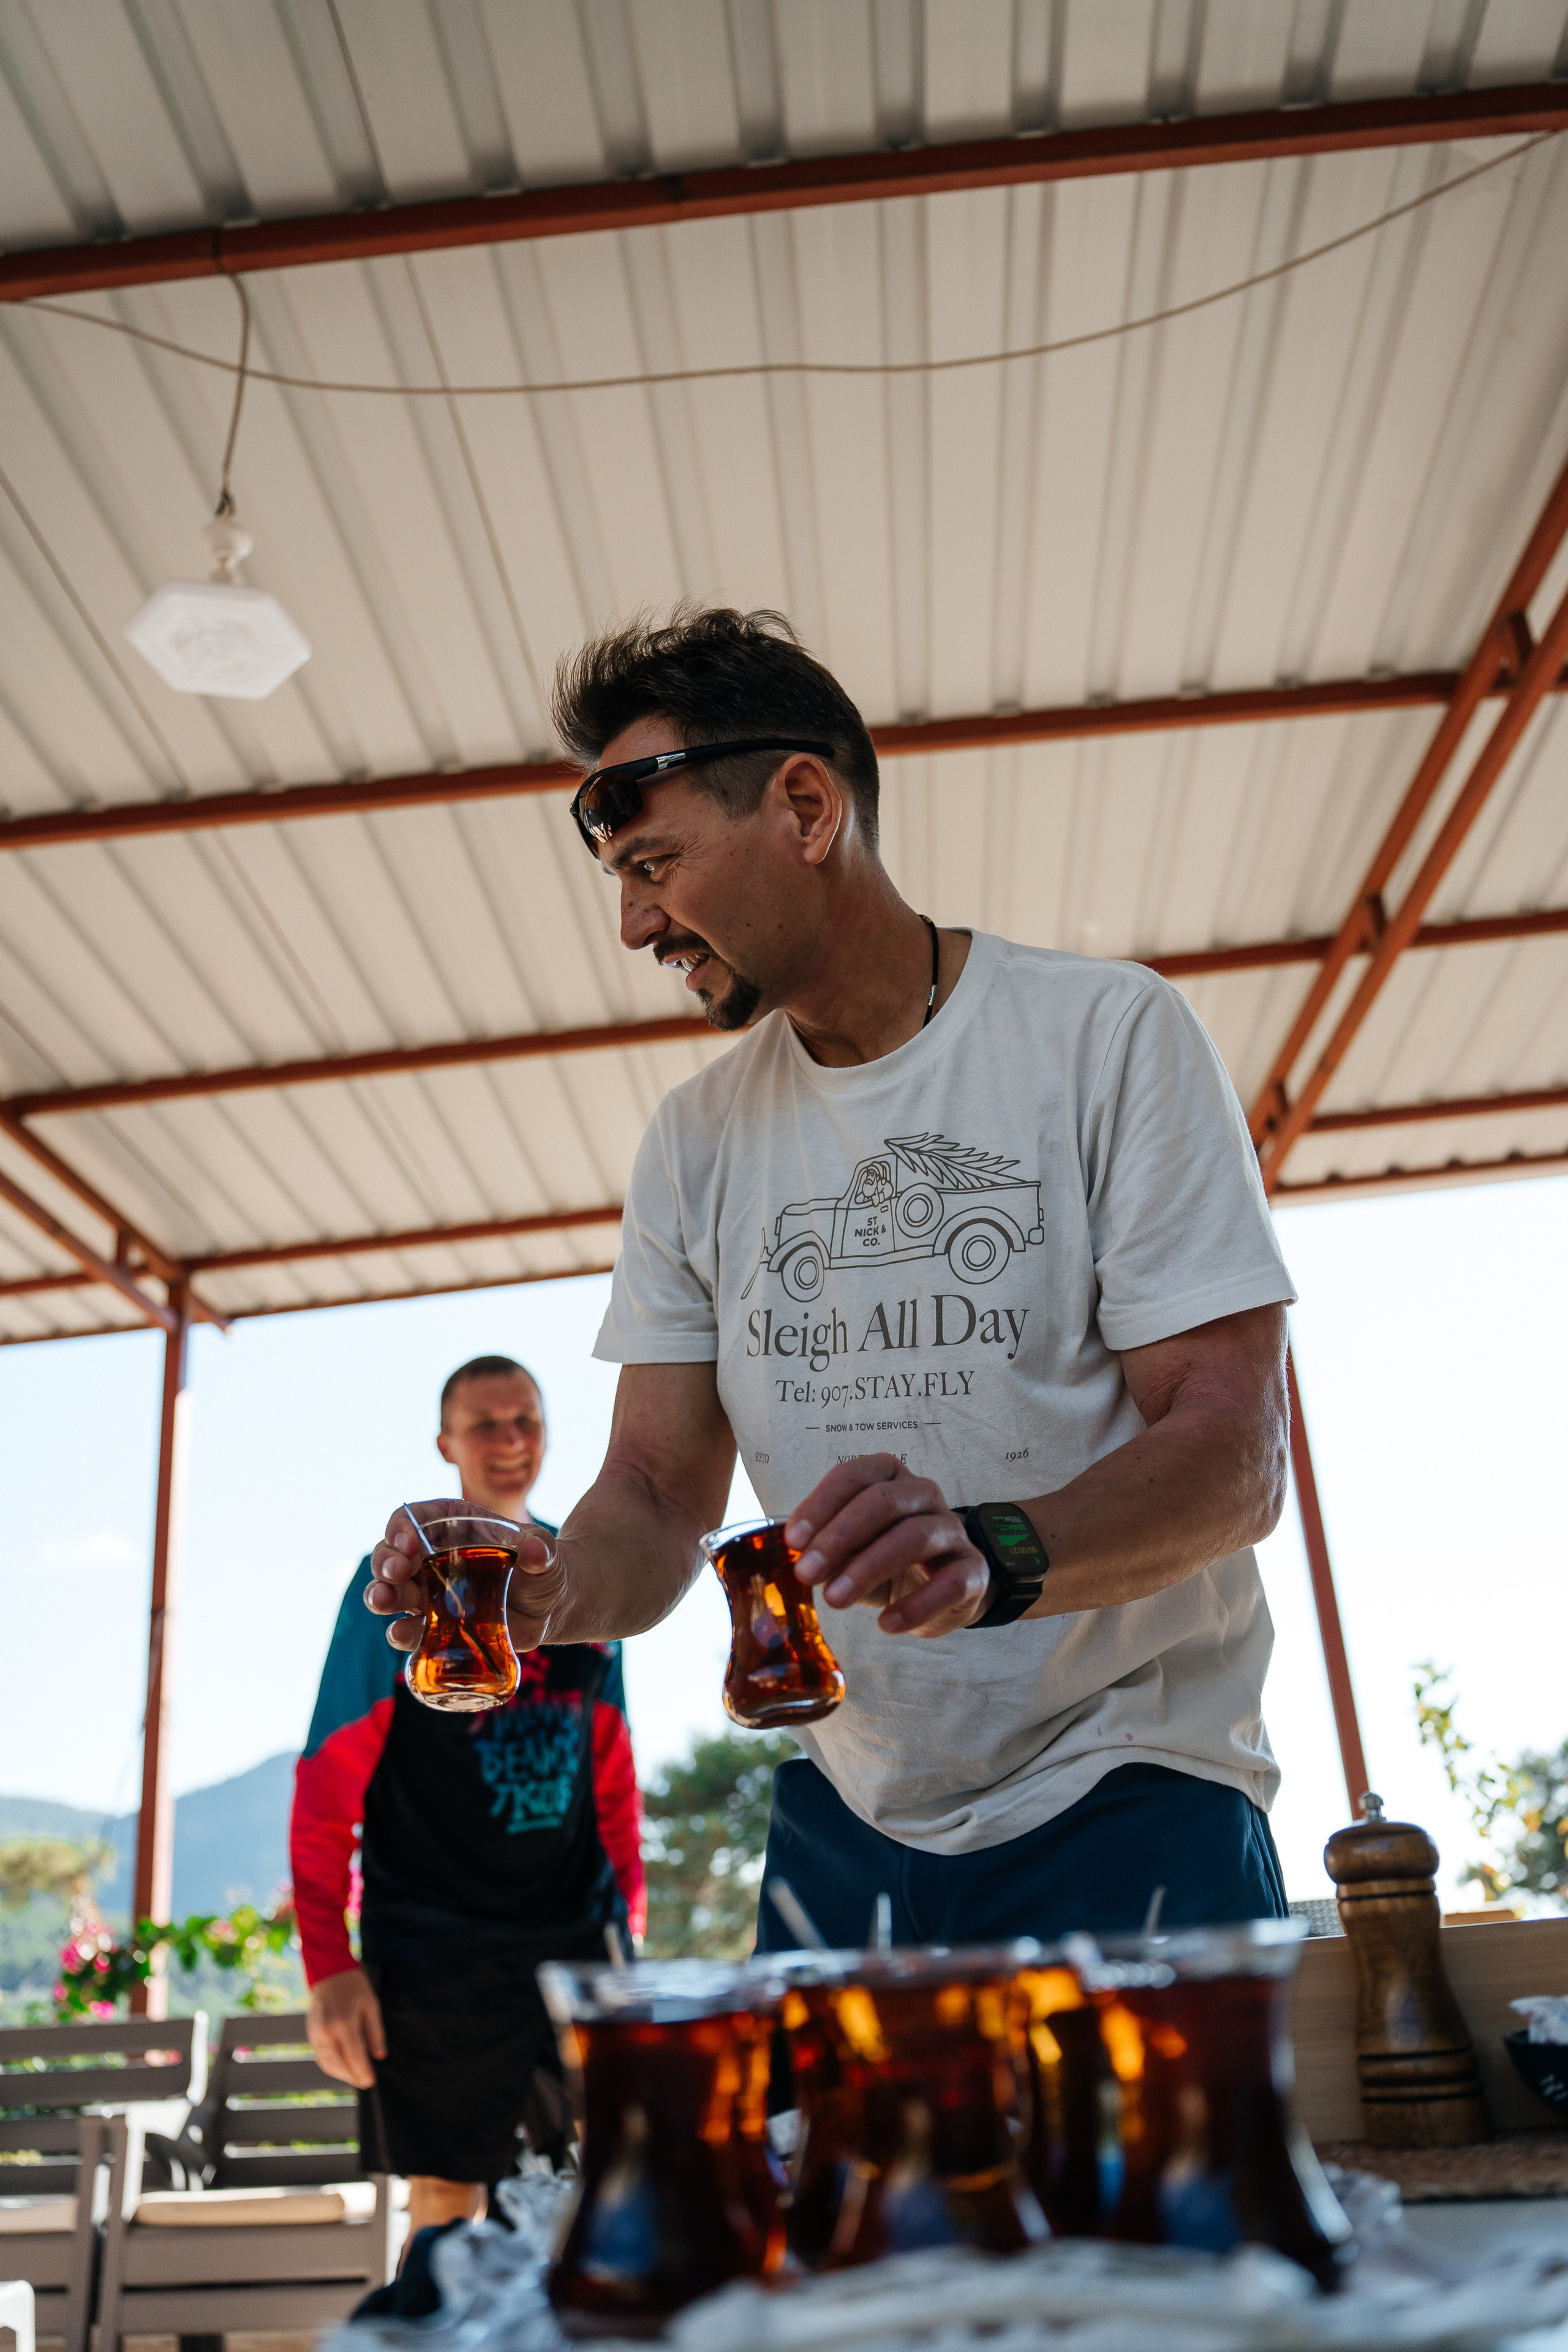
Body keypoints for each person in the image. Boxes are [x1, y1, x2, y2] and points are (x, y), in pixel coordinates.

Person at [369, 608, 1297, 1953]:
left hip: (1130, 1790)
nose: (635, 924)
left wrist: (990, 1550)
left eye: (655, 863)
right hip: (840, 1818)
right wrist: (551, 1586)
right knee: (796, 2172)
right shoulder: (693, 1141)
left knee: (1148, 2178)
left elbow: (1231, 1456)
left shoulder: (1103, 1035)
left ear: (804, 806)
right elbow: (650, 1498)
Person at [291, 1355, 643, 2230]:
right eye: (486, 1423)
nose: (510, 1439)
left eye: (526, 1418)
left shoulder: (584, 1579)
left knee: (624, 2178)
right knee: (448, 2206)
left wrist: (627, 1924)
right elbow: (327, 1781)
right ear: (447, 1443)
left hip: (576, 1932)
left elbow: (614, 1772)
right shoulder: (399, 1588)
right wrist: (328, 1963)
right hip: (434, 1945)